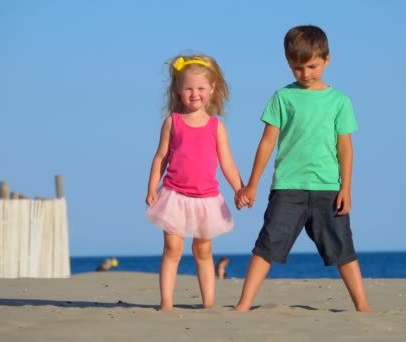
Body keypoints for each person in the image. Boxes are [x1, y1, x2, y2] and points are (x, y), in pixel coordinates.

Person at [234, 25, 371, 312]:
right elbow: (267, 142)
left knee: (342, 249)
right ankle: (243, 305)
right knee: (267, 245)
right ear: (288, 63)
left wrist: (346, 187)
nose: (305, 74)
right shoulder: (282, 98)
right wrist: (252, 183)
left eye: (312, 66)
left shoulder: (339, 101)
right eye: (297, 68)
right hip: (288, 187)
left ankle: (362, 306)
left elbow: (345, 148)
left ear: (327, 59)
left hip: (327, 189)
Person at [145, 53, 243, 311]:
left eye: (200, 88)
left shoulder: (216, 127)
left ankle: (208, 303)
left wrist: (239, 189)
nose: (194, 93)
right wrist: (152, 188)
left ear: (212, 89)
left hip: (206, 199)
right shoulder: (173, 122)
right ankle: (166, 302)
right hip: (174, 195)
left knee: (203, 250)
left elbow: (228, 164)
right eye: (188, 88)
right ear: (177, 90)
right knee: (172, 248)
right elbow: (160, 158)